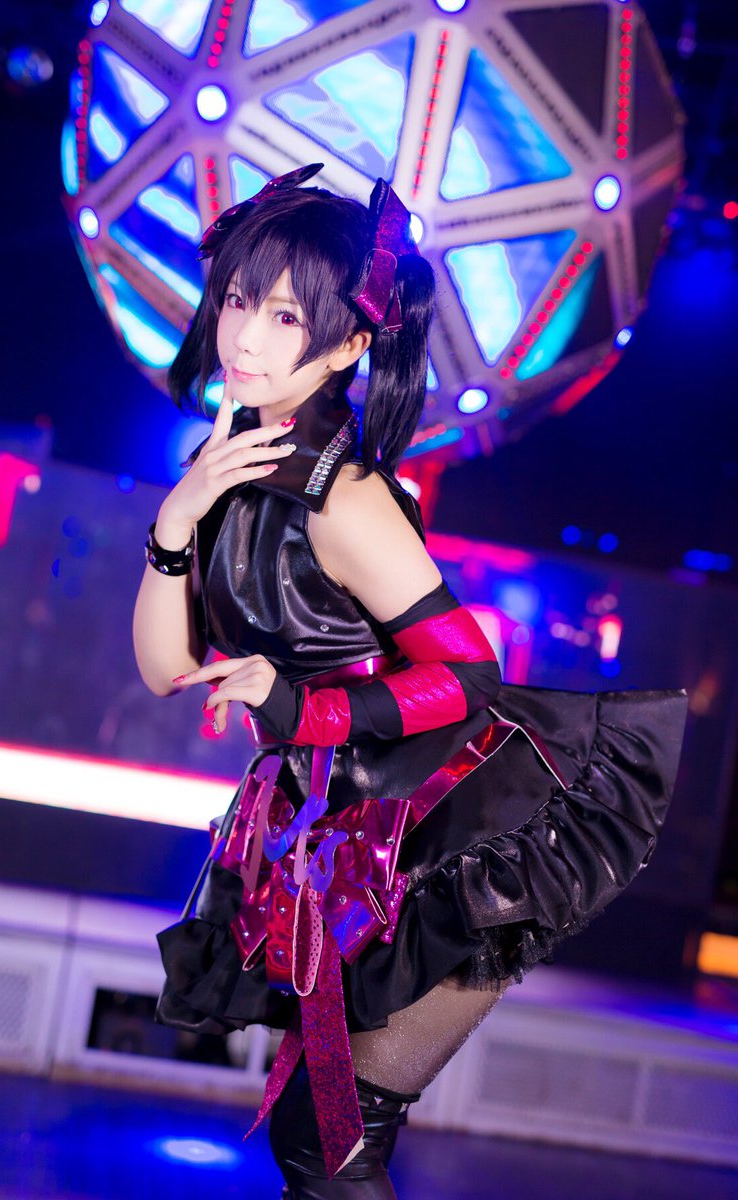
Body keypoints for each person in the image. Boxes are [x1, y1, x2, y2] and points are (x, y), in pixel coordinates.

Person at [133, 164, 688, 1199]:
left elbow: (468, 674)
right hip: (328, 831)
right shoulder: (222, 474)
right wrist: (173, 523)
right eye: (239, 300)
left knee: (328, 1141)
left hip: (433, 827)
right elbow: (167, 668)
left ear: (348, 346)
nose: (245, 336)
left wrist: (298, 707)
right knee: (320, 1142)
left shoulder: (346, 500)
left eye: (285, 315)